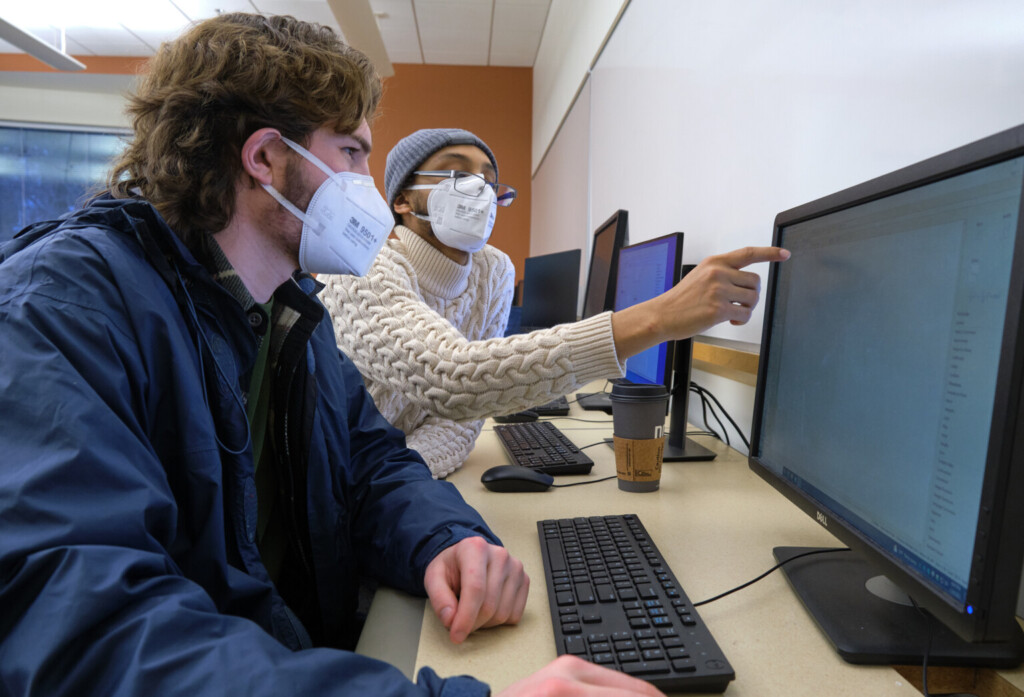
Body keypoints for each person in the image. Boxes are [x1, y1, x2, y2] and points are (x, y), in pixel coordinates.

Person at [0, 13, 665, 697]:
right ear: (264, 158)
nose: (367, 185)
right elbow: (88, 634)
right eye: (351, 152)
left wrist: (444, 536)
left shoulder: (290, 307)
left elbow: (370, 462)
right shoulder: (63, 309)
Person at [321, 129, 789, 477]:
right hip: (331, 481)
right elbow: (453, 379)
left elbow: (461, 418)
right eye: (458, 172)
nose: (479, 188)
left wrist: (399, 479)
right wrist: (657, 317)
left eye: (489, 179)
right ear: (402, 199)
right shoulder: (361, 269)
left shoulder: (493, 271)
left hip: (384, 479)